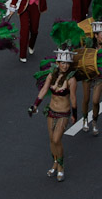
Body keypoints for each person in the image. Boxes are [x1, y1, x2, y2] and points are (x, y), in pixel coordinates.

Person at [29, 45, 78, 182]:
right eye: (63, 63)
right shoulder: (52, 74)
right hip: (51, 111)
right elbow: (44, 90)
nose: (65, 66)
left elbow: (73, 98)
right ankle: (55, 162)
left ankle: (61, 166)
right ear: (57, 63)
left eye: (67, 63)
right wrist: (35, 105)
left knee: (57, 139)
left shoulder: (71, 79)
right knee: (51, 140)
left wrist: (75, 114)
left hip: (63, 113)